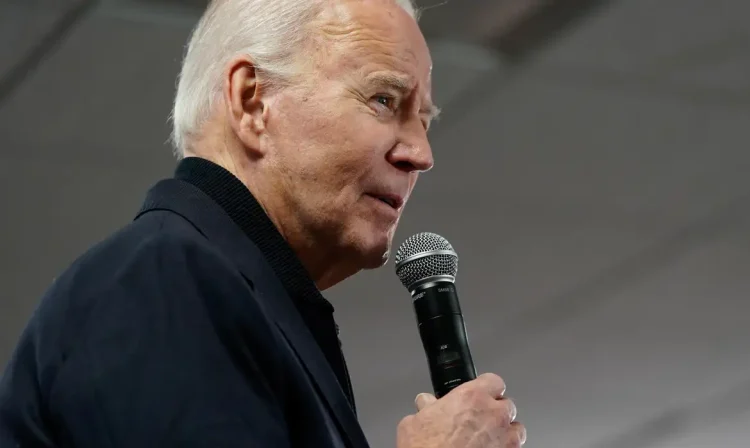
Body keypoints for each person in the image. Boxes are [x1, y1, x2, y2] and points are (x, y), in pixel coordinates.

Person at [0, 0, 526, 446]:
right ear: (252, 101)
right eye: (384, 100)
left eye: (424, 120)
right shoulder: (167, 278)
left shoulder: (232, 298)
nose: (422, 152)